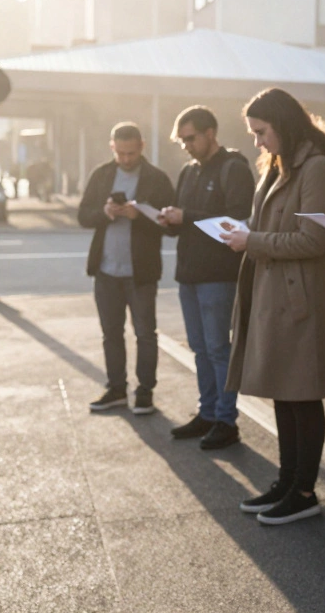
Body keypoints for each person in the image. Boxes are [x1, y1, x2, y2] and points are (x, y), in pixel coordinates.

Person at [223, 88, 325, 526]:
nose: (257, 141)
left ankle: (304, 490)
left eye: (261, 132)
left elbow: (314, 241)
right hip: (273, 293)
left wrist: (250, 241)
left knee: (302, 395)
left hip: (298, 299)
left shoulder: (316, 168)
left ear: (284, 125)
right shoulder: (279, 166)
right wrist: (242, 232)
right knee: (283, 392)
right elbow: (269, 227)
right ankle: (287, 480)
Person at [158, 105, 255, 450]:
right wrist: (170, 220)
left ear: (210, 133)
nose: (185, 145)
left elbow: (238, 222)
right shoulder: (188, 171)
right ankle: (209, 413)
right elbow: (187, 222)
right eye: (181, 140)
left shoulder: (233, 168)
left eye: (190, 138)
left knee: (217, 348)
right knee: (200, 348)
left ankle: (226, 420)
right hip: (189, 274)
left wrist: (186, 216)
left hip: (218, 275)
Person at [78, 123, 175, 415]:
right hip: (106, 270)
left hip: (141, 272)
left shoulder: (156, 179)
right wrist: (105, 213)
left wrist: (139, 216)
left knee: (145, 333)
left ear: (141, 146)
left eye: (131, 153)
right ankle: (116, 389)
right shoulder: (102, 174)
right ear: (112, 147)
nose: (126, 159)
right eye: (120, 153)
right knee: (111, 333)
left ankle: (145, 391)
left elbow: (171, 226)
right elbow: (83, 216)